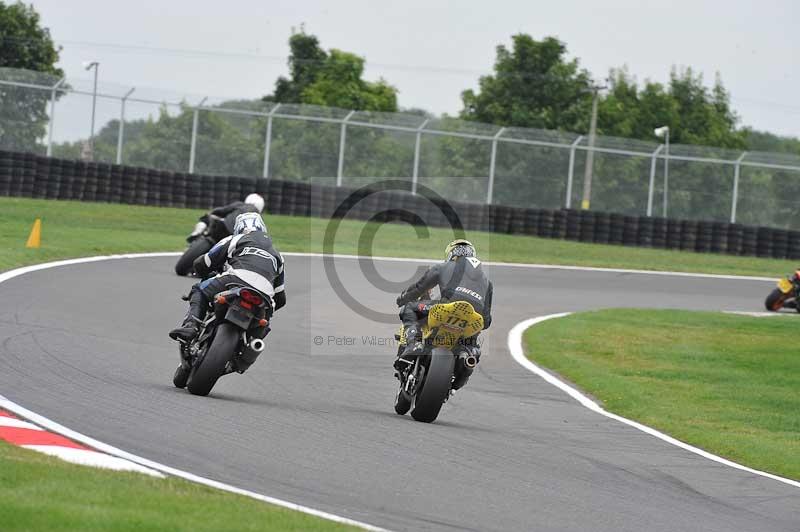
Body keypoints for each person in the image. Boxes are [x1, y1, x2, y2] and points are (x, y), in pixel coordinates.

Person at [169, 211, 285, 343]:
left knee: (198, 289)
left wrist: (203, 273)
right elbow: (280, 298)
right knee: (260, 330)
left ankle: (191, 326)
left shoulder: (235, 239)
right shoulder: (278, 255)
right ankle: (247, 349)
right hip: (265, 295)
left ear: (238, 228)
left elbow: (203, 263)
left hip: (236, 279)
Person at [394, 239, 493, 373]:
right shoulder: (487, 282)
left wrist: (402, 298)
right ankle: (468, 357)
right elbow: (486, 321)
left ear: (452, 254)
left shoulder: (443, 267)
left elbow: (418, 288)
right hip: (473, 318)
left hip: (447, 308)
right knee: (471, 345)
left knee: (409, 308)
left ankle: (414, 344)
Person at [186, 193, 266, 243]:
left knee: (207, 217)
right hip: (238, 239)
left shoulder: (240, 205)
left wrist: (212, 213)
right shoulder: (259, 219)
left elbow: (222, 210)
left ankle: (197, 231)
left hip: (223, 227)